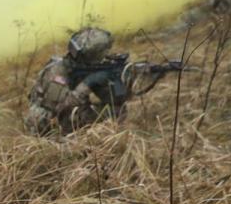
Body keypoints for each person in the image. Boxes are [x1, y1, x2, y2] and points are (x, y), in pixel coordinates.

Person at [25, 27, 171, 136]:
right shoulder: (56, 72)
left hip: (68, 115)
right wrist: (89, 82)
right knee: (105, 114)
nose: (105, 56)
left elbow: (116, 99)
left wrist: (126, 78)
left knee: (116, 110)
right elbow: (62, 106)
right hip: (47, 125)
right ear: (91, 55)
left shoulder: (87, 66)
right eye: (101, 53)